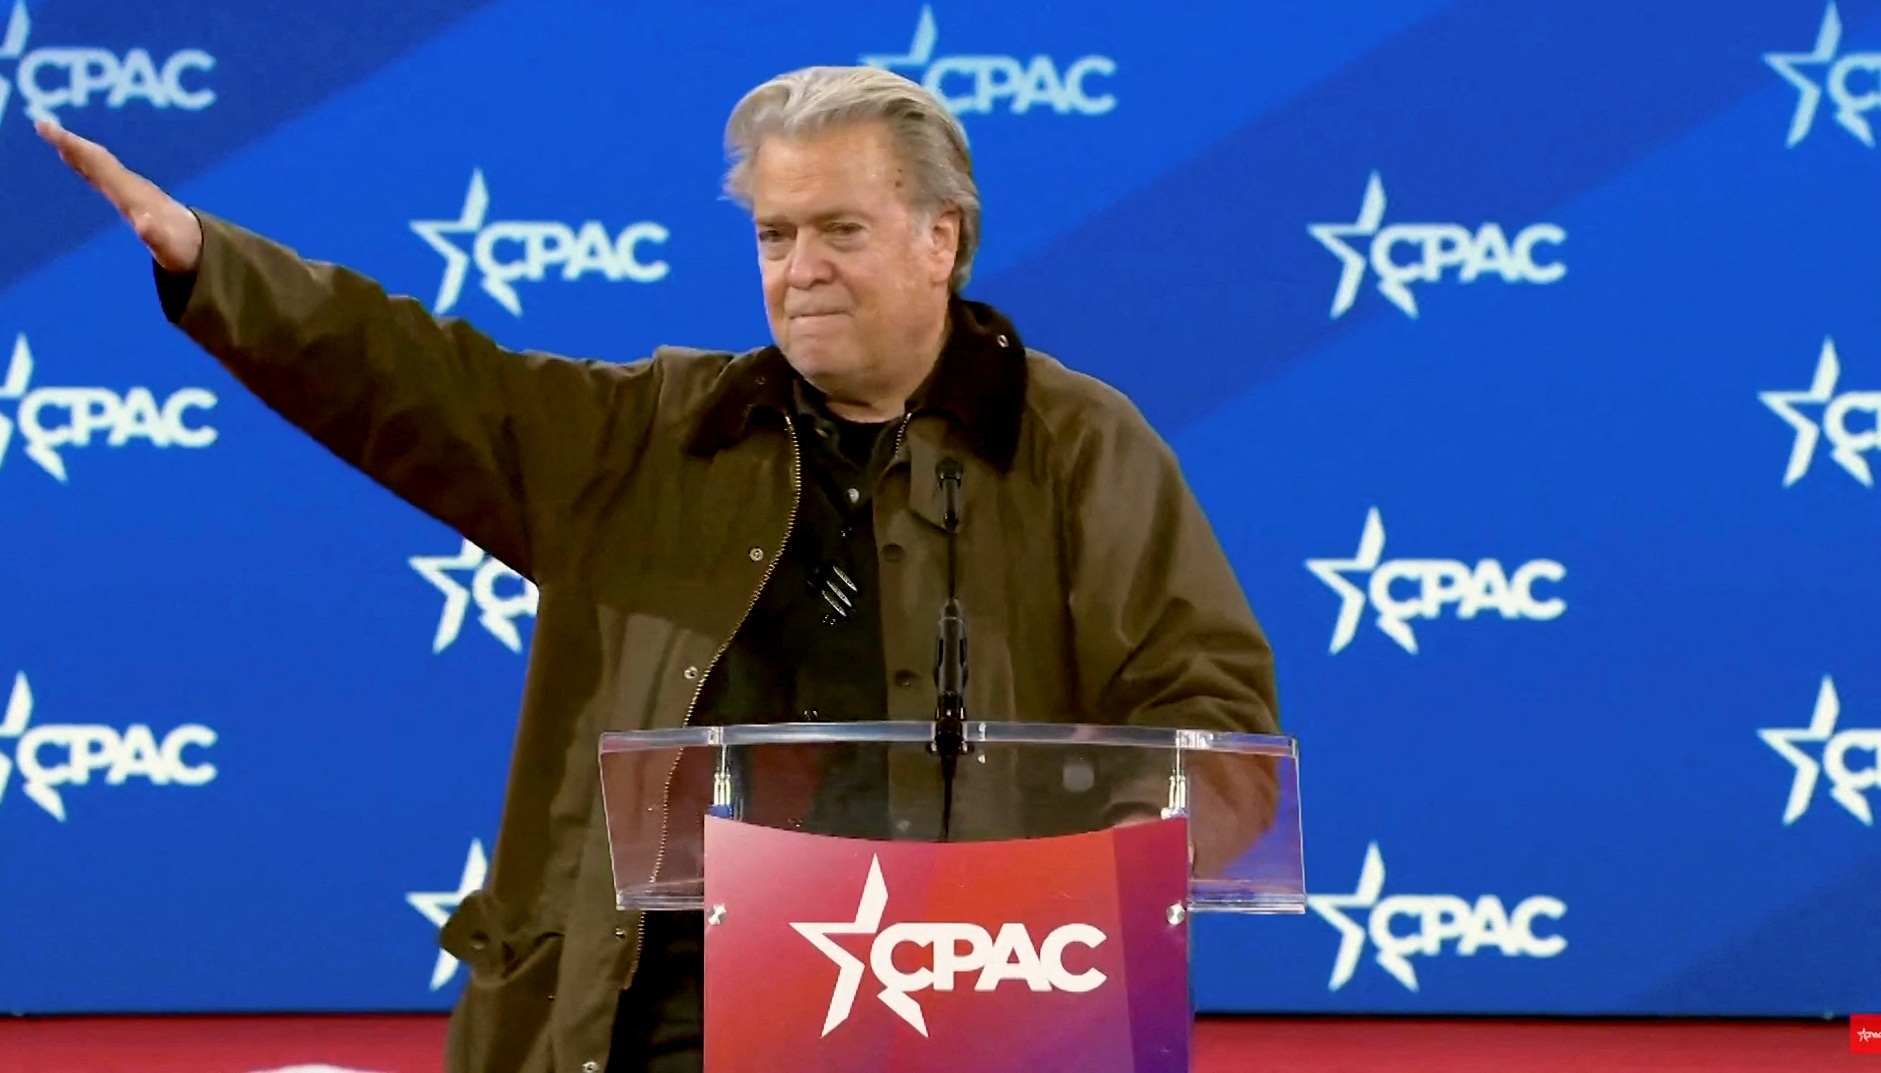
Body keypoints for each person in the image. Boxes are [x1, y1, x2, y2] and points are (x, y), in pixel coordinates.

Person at [39, 65, 1278, 1073]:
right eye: (776, 234)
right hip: (651, 1018)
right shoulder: (656, 434)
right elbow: (418, 381)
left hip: (959, 1011)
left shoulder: (1077, 446)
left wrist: (1055, 897)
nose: (800, 269)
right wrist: (210, 261)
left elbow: (1213, 719)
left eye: (840, 230)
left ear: (940, 237)